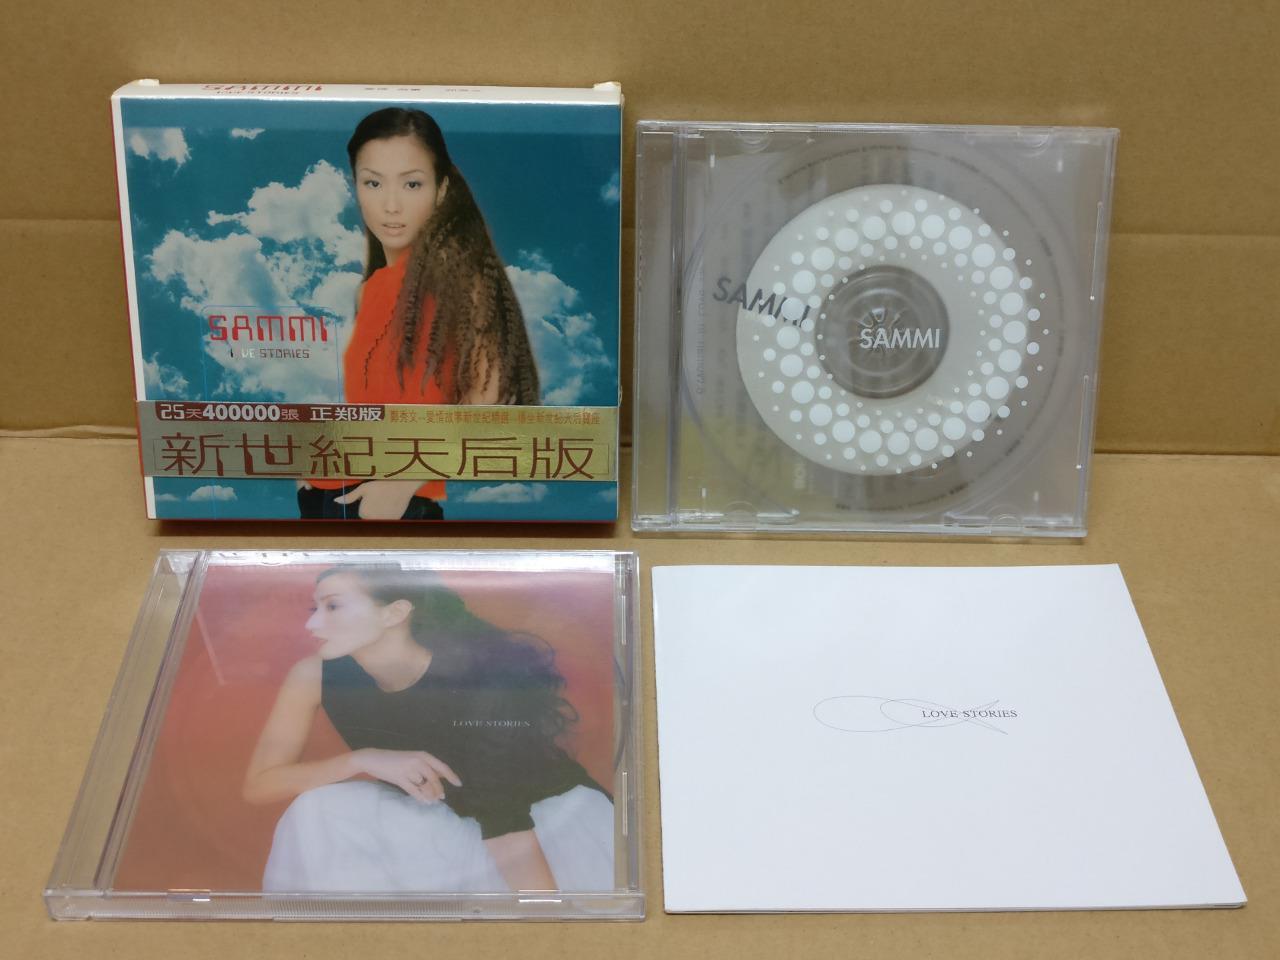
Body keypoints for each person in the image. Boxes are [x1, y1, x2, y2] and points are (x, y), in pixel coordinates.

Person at [242, 564, 613, 893]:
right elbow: (260, 784)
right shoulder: (314, 675)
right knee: (318, 809)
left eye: (333, 606)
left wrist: (549, 925)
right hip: (437, 817)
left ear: (395, 613)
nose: (311, 624)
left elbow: (504, 821)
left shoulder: (480, 679)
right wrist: (362, 759)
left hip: (535, 824)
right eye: (315, 608)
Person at [298, 108, 540, 520]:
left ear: (441, 190)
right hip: (334, 494)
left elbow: (490, 407)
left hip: (397, 504)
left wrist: (406, 482)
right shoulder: (369, 290)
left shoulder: (462, 279)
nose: (391, 205)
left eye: (412, 184)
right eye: (373, 183)